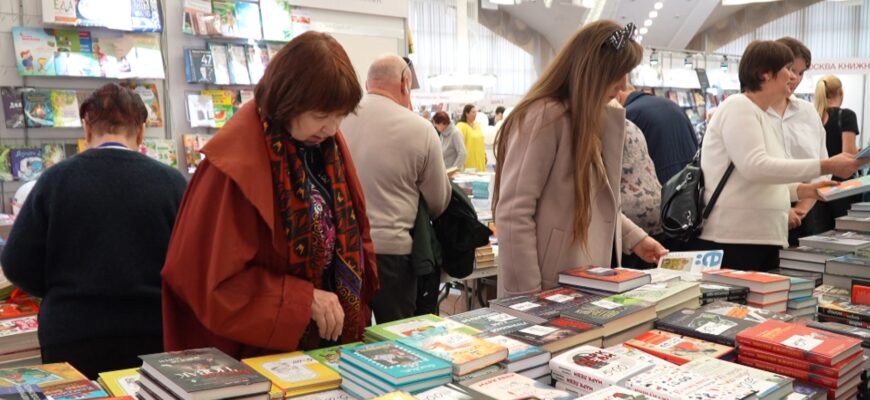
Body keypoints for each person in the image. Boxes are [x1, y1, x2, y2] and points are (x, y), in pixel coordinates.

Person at [161, 32, 378, 358]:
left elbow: (355, 233)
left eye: (340, 116)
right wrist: (302, 300)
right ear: (289, 100)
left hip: (326, 344)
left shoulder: (328, 146)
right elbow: (205, 281)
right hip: (260, 352)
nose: (332, 128)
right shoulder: (233, 166)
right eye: (321, 116)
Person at [0, 83, 187, 378]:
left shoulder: (54, 180)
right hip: (154, 329)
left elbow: (16, 264)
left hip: (71, 331)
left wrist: (60, 288)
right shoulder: (173, 183)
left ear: (87, 129)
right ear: (141, 131)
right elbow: (191, 265)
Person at [493, 21, 667, 297]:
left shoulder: (588, 117)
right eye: (617, 73)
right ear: (593, 71)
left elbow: (596, 201)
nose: (624, 84)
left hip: (579, 282)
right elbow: (514, 212)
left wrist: (636, 239)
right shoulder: (545, 117)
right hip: (547, 288)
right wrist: (526, 296)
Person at [684, 40, 866, 271]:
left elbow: (761, 179)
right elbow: (756, 167)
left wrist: (804, 190)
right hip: (736, 239)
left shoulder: (758, 113)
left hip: (759, 237)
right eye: (788, 69)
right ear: (765, 74)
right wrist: (826, 165)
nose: (793, 77)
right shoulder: (738, 106)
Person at [342, 54, 451, 323]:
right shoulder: (420, 129)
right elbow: (438, 201)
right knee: (397, 335)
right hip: (394, 254)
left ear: (367, 83)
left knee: (350, 333)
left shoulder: (339, 120)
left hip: (346, 251)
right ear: (405, 82)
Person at [767, 37, 828, 245]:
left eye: (801, 73)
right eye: (791, 70)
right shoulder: (753, 111)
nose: (795, 78)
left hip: (804, 214)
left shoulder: (808, 112)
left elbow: (821, 164)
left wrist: (802, 209)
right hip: (760, 213)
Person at [617, 84, 699, 184]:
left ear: (618, 94)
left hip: (661, 183)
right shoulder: (672, 105)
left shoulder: (629, 115)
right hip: (690, 180)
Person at [814, 74, 862, 230]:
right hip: (841, 188)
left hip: (817, 187)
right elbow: (848, 156)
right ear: (841, 92)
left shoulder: (814, 117)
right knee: (845, 234)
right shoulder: (847, 116)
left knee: (820, 235)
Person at [456, 104, 487, 171]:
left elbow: (481, 141)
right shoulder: (461, 126)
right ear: (466, 113)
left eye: (476, 112)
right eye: (473, 112)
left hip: (480, 159)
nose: (475, 114)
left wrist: (484, 154)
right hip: (469, 161)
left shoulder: (477, 125)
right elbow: (458, 145)